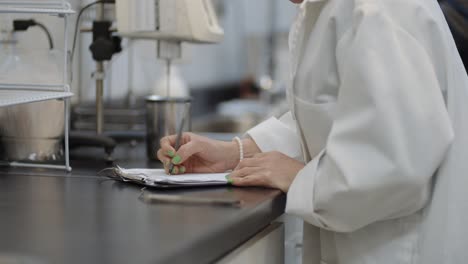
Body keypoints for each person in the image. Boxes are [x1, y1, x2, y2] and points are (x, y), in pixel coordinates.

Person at [158, 0, 468, 263]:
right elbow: (337, 117)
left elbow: (397, 159)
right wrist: (235, 152)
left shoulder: (380, 9)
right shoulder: (322, 9)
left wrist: (298, 177)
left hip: (400, 246)